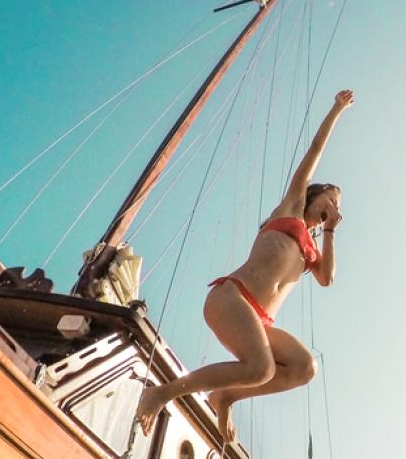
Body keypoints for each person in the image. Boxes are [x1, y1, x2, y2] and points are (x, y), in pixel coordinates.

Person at [136, 90, 354, 439]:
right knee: (261, 367)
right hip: (232, 297)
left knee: (303, 368)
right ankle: (161, 393)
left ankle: (225, 396)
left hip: (260, 320)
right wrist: (337, 109)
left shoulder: (313, 251)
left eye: (339, 203)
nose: (335, 203)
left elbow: (328, 278)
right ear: (316, 195)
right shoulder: (292, 207)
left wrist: (329, 230)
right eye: (332, 196)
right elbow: (314, 152)